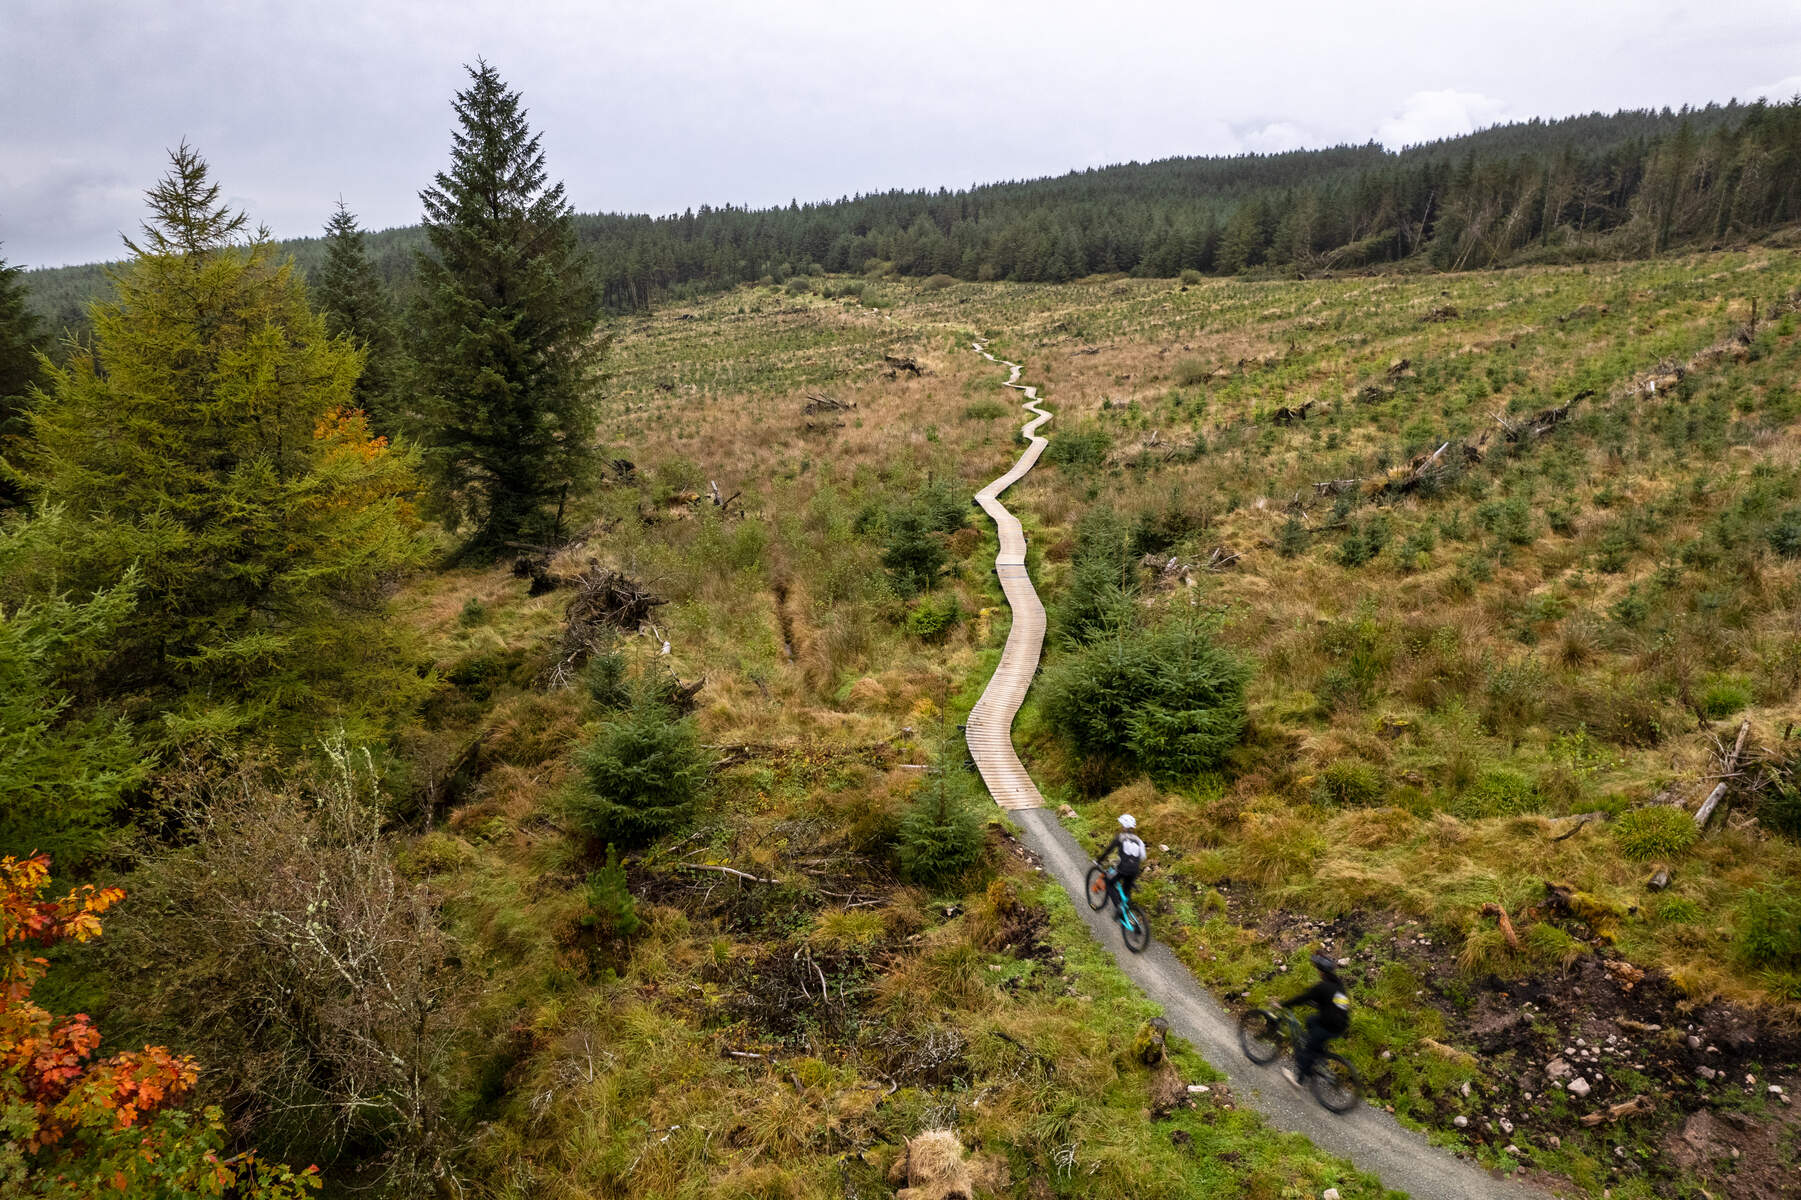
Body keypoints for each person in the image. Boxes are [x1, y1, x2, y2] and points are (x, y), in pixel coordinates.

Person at [1282, 951, 1351, 1087]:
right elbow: (1333, 1003)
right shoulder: (1338, 985)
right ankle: (1319, 1055)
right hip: (1341, 1024)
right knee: (1310, 1020)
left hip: (1328, 1026)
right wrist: (1318, 1003)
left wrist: (1284, 1004)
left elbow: (1302, 998)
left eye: (1317, 969)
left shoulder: (1322, 987)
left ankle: (1299, 1079)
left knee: (1309, 1048)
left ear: (1321, 971)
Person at [1096, 813, 1148, 908]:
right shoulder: (1139, 840)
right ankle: (1127, 910)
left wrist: (1099, 861)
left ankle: (1118, 907)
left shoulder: (1120, 837)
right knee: (1126, 889)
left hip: (1123, 868)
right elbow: (1143, 857)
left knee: (1108, 882)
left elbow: (1108, 850)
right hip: (1135, 869)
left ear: (1124, 826)